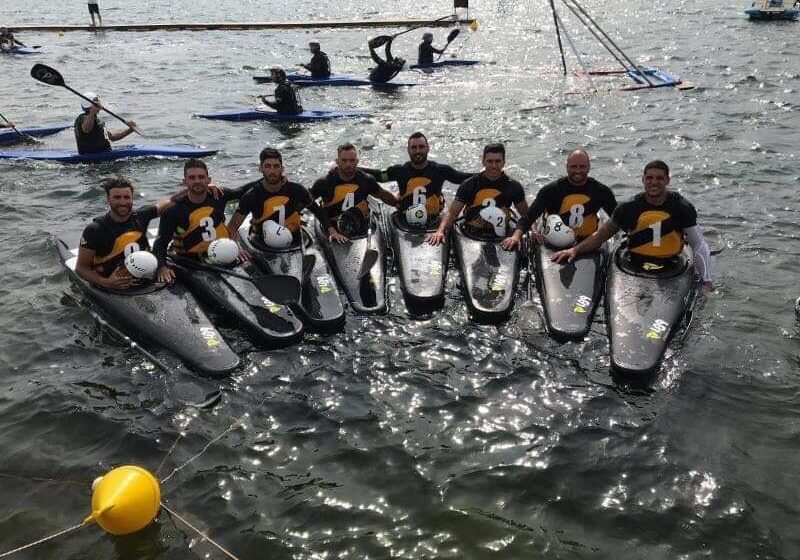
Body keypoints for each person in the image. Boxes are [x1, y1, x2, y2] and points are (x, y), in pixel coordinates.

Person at [551, 160, 714, 292]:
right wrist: (574, 250)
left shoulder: (682, 207)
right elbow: (601, 236)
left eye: (659, 178)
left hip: (672, 265)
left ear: (667, 180)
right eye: (649, 178)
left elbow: (698, 244)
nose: (654, 182)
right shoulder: (628, 207)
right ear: (643, 180)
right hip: (634, 263)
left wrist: (706, 280)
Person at [227, 147, 344, 254]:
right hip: (261, 243)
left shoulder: (297, 190)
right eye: (268, 166)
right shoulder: (252, 195)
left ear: (282, 169)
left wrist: (332, 231)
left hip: (295, 239)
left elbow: (317, 210)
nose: (272, 171)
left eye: (276, 166)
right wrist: (237, 248)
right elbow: (232, 226)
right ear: (260, 168)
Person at [153, 159, 251, 284]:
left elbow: (243, 191)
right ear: (185, 181)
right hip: (190, 261)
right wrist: (162, 267)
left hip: (224, 252)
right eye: (192, 177)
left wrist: (272, 177)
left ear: (208, 180)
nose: (197, 181)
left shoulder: (219, 195)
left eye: (201, 177)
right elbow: (160, 243)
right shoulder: (174, 210)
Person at [501, 149, 617, 250]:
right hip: (554, 241)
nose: (578, 170)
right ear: (567, 167)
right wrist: (516, 236)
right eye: (573, 166)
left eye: (582, 167)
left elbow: (619, 219)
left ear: (589, 167)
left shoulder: (602, 191)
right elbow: (528, 217)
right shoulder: (551, 190)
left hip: (588, 241)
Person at [76, 178, 172, 290]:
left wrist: (192, 189)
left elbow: (169, 203)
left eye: (126, 197)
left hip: (145, 278)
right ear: (108, 199)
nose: (122, 202)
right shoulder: (95, 230)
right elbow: (81, 268)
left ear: (132, 198)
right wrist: (105, 282)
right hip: (112, 284)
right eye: (117, 197)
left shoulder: (141, 216)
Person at [361, 131, 473, 223]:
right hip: (405, 221)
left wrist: (484, 174)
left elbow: (460, 178)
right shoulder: (399, 171)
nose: (418, 151)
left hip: (433, 220)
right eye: (414, 147)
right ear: (408, 150)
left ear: (428, 148)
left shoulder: (441, 170)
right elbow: (379, 175)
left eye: (421, 147)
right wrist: (352, 169)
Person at [428, 143, 529, 245]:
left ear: (503, 163)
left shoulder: (513, 186)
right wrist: (440, 231)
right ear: (483, 162)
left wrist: (530, 232)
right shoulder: (469, 184)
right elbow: (452, 213)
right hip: (471, 231)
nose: (494, 166)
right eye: (490, 161)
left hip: (502, 233)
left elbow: (527, 215)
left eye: (497, 161)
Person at [311, 143, 399, 242]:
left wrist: (400, 204)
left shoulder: (366, 180)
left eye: (352, 160)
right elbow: (307, 202)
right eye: (344, 161)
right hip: (333, 228)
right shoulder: (323, 183)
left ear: (357, 162)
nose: (348, 164)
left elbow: (383, 196)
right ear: (337, 162)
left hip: (361, 226)